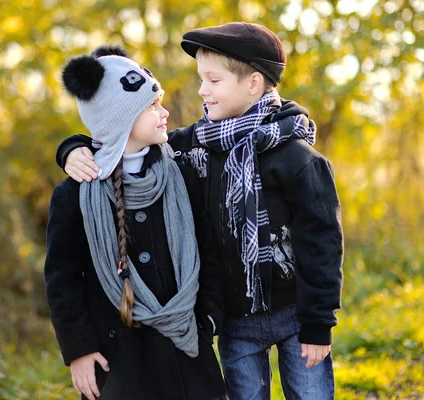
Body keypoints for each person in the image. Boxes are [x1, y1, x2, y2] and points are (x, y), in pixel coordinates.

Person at [56, 22, 343, 400]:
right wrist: (73, 148)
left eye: (213, 80)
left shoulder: (293, 156)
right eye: (201, 79)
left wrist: (318, 323)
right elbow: (118, 131)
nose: (200, 90)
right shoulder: (196, 146)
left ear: (253, 83)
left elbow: (321, 242)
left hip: (291, 314)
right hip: (235, 322)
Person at [44, 45, 226, 400]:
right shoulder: (75, 194)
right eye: (152, 106)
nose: (165, 111)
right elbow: (61, 279)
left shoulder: (183, 172)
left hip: (185, 349)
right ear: (121, 118)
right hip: (119, 360)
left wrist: (208, 320)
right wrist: (78, 350)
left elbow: (209, 250)